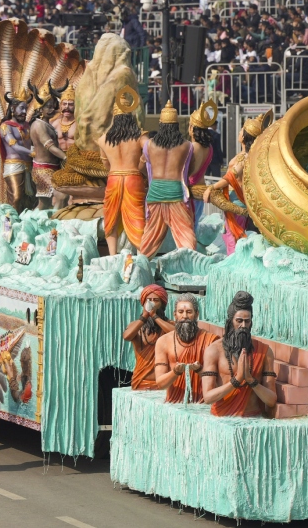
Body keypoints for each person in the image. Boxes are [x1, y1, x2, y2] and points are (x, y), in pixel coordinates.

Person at [201, 291, 277, 417]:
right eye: (239, 321)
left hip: (252, 418)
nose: (243, 326)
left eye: (247, 321)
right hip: (222, 418)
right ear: (230, 322)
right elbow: (208, 397)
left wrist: (250, 380)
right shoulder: (214, 351)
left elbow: (271, 400)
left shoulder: (264, 351)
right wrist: (236, 380)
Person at [204, 111, 271, 254]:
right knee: (234, 236)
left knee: (233, 237)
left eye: (241, 130)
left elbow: (230, 177)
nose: (239, 132)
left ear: (244, 137)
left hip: (236, 203)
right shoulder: (252, 156)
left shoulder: (243, 158)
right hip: (239, 201)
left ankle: (234, 262)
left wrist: (211, 187)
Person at [140, 101, 198, 256]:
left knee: (150, 234)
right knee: (185, 232)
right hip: (175, 191)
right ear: (176, 125)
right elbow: (190, 169)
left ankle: (142, 261)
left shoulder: (149, 145)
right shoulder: (187, 145)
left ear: (160, 124)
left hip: (155, 191)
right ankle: (190, 262)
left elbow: (144, 166)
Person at [98, 87, 147, 254]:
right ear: (131, 116)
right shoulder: (140, 136)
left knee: (111, 216)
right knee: (137, 216)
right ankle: (142, 255)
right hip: (134, 178)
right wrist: (139, 167)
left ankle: (112, 255)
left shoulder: (104, 139)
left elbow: (105, 165)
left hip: (113, 178)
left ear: (114, 117)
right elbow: (149, 153)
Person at [153, 293, 217, 403]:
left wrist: (200, 370)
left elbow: (218, 382)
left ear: (196, 314)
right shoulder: (163, 342)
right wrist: (175, 372)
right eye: (181, 312)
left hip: (202, 404)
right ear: (175, 314)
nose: (185, 316)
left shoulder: (210, 341)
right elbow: (160, 383)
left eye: (189, 312)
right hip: (175, 402)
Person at [124, 284, 175, 390]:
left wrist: (155, 316)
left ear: (162, 304)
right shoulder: (136, 326)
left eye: (156, 300)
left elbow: (177, 334)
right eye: (148, 300)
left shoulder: (169, 325)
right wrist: (144, 317)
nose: (151, 303)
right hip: (141, 381)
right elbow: (127, 337)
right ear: (143, 303)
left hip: (164, 382)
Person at [28, 85, 69, 209]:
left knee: (44, 203)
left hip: (52, 168)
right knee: (62, 196)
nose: (52, 109)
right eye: (49, 107)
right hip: (43, 170)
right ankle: (55, 222)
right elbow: (50, 147)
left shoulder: (46, 124)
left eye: (53, 106)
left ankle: (36, 221)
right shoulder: (39, 125)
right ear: (40, 109)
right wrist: (66, 157)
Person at [0, 96, 34, 212]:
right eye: (21, 108)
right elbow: (14, 146)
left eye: (26, 109)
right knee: (16, 196)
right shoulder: (6, 126)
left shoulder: (28, 126)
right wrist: (32, 152)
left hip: (29, 165)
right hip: (14, 165)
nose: (24, 112)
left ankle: (24, 224)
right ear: (12, 109)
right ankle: (10, 223)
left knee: (29, 199)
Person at [50, 83, 78, 152]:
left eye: (71, 104)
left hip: (75, 158)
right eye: (64, 104)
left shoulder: (79, 124)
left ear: (76, 106)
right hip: (58, 158)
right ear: (61, 106)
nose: (67, 107)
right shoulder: (54, 124)